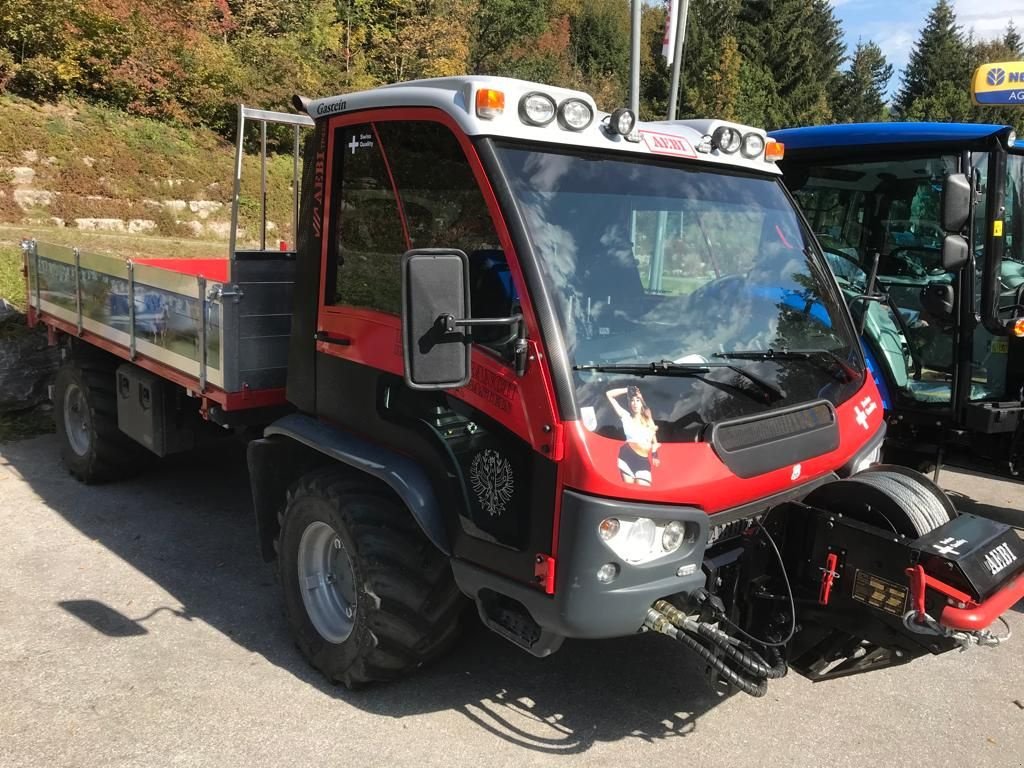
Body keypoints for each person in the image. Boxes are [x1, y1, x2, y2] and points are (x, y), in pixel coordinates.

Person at [605, 385, 660, 485]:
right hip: (626, 457)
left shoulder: (647, 417)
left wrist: (655, 453)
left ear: (641, 402)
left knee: (644, 494)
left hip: (642, 460)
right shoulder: (625, 416)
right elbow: (609, 394)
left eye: (637, 400)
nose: (635, 403)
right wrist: (627, 390)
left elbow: (653, 436)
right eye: (632, 400)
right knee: (628, 493)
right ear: (629, 403)